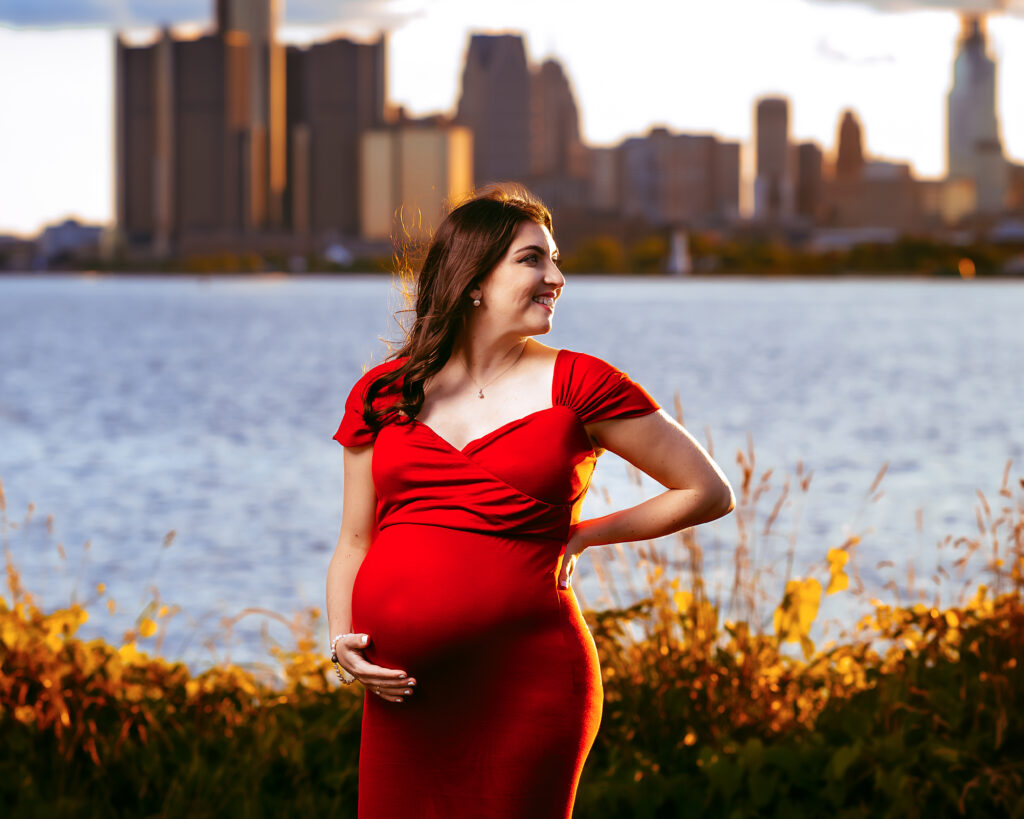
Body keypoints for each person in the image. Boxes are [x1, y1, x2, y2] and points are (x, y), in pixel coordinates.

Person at [326, 184, 735, 818]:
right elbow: (356, 539)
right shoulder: (383, 394)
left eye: (556, 259)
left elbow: (707, 490)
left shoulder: (581, 385)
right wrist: (341, 639)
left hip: (529, 688)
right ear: (473, 281)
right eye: (533, 260)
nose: (557, 277)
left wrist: (587, 533)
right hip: (404, 697)